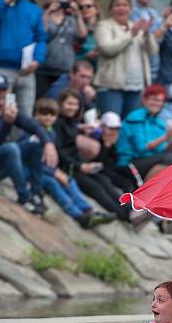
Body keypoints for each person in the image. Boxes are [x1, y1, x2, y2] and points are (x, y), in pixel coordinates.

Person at [0, 73, 57, 214]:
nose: (0, 94)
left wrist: (48, 143)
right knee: (11, 148)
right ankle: (24, 196)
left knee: (36, 141)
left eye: (4, 90)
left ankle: (37, 193)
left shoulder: (8, 109)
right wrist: (7, 123)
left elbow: (34, 126)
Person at [53, 88, 132, 224]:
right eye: (69, 104)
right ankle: (126, 217)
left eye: (75, 104)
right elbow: (59, 151)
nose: (72, 107)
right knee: (96, 188)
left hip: (78, 163)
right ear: (61, 104)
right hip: (68, 167)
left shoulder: (73, 124)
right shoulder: (57, 123)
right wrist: (80, 166)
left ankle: (130, 210)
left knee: (104, 181)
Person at [33, 97, 113, 229]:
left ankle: (88, 211)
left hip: (49, 169)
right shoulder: (33, 133)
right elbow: (32, 160)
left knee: (69, 181)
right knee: (54, 184)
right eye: (44, 114)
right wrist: (54, 173)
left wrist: (56, 171)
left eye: (52, 115)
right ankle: (78, 215)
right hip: (36, 171)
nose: (48, 118)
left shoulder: (51, 132)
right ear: (36, 115)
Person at [93, 0, 157, 118]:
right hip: (111, 87)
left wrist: (145, 33)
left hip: (136, 87)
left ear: (130, 8)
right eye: (117, 5)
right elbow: (107, 49)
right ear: (110, 8)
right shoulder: (104, 26)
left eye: (125, 5)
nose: (121, 8)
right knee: (111, 124)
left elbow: (153, 51)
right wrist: (131, 35)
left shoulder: (136, 26)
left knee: (130, 126)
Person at [36, 0, 87, 99]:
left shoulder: (71, 19)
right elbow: (41, 34)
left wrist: (78, 14)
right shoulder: (42, 16)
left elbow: (82, 37)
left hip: (65, 70)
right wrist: (48, 12)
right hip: (43, 70)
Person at [117, 83, 172, 182]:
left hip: (146, 160)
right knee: (168, 158)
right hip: (129, 163)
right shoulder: (135, 117)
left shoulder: (159, 122)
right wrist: (164, 137)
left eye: (159, 101)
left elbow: (163, 150)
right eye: (153, 99)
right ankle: (145, 190)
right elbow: (141, 148)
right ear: (144, 100)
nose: (156, 103)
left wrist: (171, 138)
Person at [130, 0, 162, 78]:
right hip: (140, 69)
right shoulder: (131, 12)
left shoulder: (154, 13)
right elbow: (147, 37)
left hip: (155, 69)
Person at [75, 0, 100, 65]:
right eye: (81, 7)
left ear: (96, 9)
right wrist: (86, 56)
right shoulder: (75, 30)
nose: (84, 9)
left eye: (88, 6)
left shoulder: (104, 28)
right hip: (80, 69)